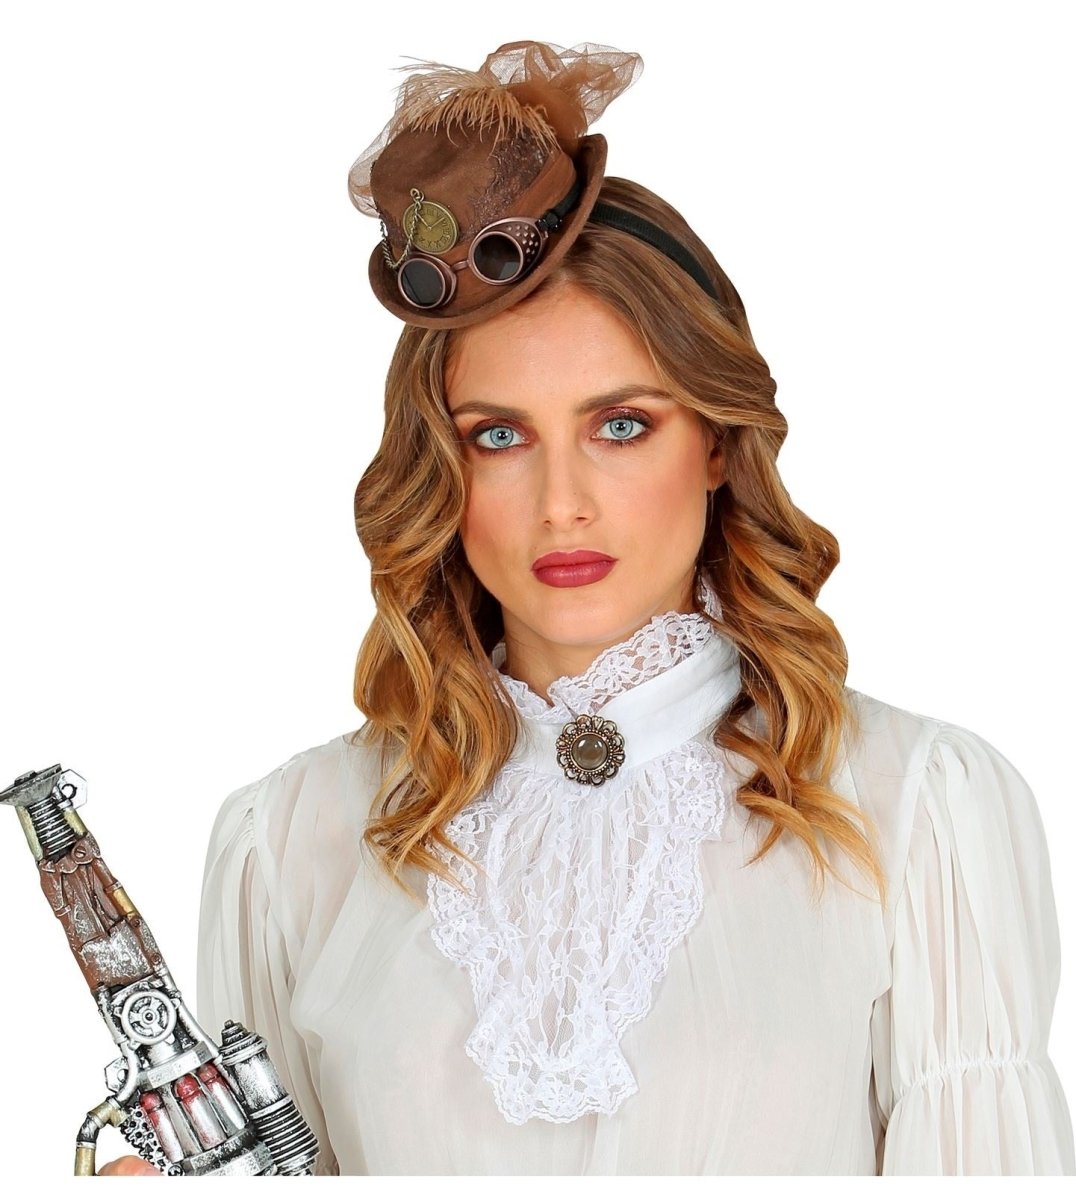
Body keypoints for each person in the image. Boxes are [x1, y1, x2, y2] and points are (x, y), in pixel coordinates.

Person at [99, 39, 1075, 1176]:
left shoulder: (914, 811)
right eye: (498, 437)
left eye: (621, 426)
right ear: (441, 469)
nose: (561, 502)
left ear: (716, 444)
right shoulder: (291, 844)